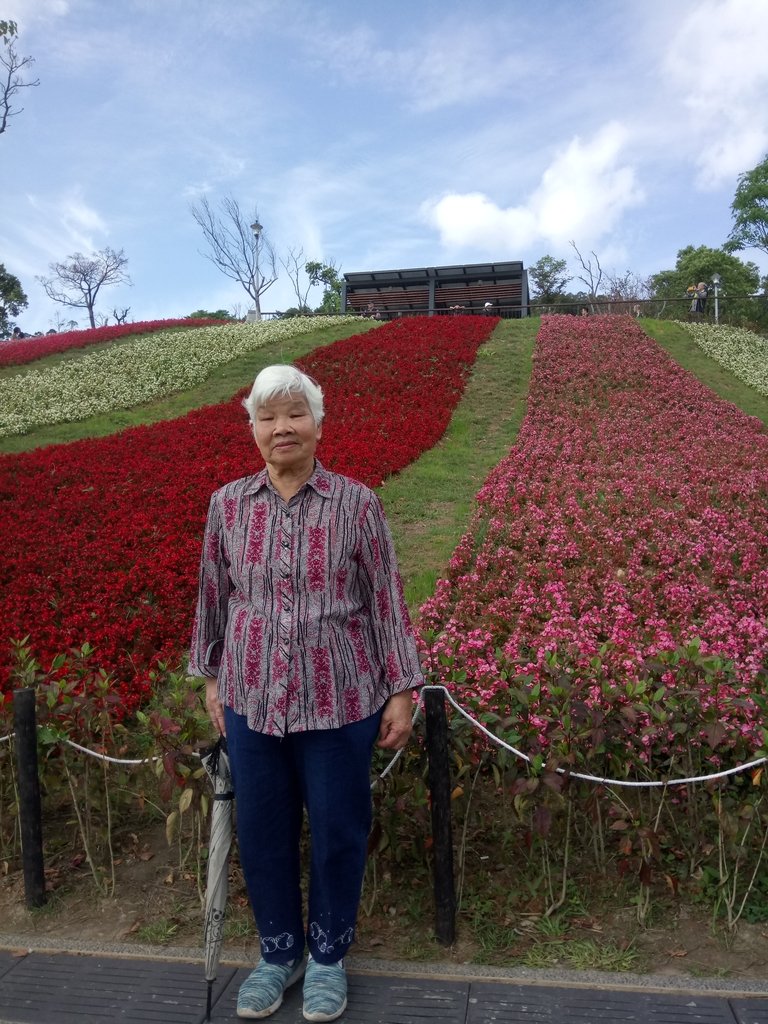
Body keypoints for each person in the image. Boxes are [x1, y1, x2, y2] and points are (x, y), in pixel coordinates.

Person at [189, 364, 424, 1022]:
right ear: (253, 429)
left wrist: (402, 689)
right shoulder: (228, 505)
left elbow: (385, 600)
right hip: (251, 700)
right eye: (267, 417)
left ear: (319, 424)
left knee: (339, 830)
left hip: (341, 701)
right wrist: (212, 678)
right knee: (262, 833)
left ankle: (326, 955)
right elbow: (213, 598)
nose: (281, 427)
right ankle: (277, 952)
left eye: (295, 413)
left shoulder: (357, 503)